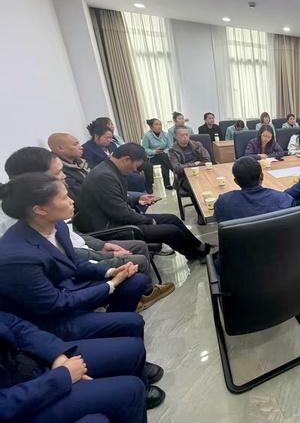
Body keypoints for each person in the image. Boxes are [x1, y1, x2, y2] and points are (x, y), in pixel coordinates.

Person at [1, 147, 172, 310]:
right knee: (138, 262)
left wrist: (101, 246)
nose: (64, 176)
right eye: (58, 172)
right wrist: (108, 264)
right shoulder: (25, 220)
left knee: (140, 248)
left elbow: (72, 235)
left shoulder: (52, 206)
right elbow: (65, 260)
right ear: (36, 179)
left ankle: (139, 296)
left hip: (83, 251)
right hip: (67, 280)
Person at [0, 173, 148, 341]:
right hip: (49, 319)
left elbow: (75, 263)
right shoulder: (17, 257)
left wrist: (111, 272)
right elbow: (55, 303)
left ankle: (110, 335)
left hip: (66, 290)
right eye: (64, 198)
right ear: (40, 209)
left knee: (135, 281)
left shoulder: (58, 226)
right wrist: (111, 284)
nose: (72, 201)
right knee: (134, 321)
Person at [0, 311, 164, 421]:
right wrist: (62, 377)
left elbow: (17, 326)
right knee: (131, 391)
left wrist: (58, 356)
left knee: (133, 348)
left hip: (29, 363)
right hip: (22, 403)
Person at [75, 143, 215, 262]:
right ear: (126, 159)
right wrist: (147, 221)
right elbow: (121, 214)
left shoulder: (110, 169)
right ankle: (195, 255)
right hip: (112, 228)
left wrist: (137, 199)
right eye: (136, 166)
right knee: (170, 231)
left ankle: (200, 247)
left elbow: (117, 199)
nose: (135, 170)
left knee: (172, 218)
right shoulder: (104, 176)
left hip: (115, 218)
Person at [213, 157, 295, 224]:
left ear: (236, 181)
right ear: (262, 176)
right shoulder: (285, 199)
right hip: (277, 239)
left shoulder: (223, 203)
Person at [95, 117, 154, 194]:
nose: (112, 126)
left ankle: (145, 191)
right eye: (109, 125)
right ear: (97, 135)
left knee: (146, 167)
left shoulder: (113, 142)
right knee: (136, 177)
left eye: (112, 124)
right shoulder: (89, 149)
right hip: (116, 168)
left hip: (126, 161)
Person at [48, 133, 89, 202]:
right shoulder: (60, 172)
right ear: (60, 148)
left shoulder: (80, 161)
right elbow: (82, 195)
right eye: (75, 144)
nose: (81, 147)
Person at [141, 118, 174, 190]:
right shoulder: (147, 136)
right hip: (152, 157)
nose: (159, 126)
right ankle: (174, 172)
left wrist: (164, 151)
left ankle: (167, 184)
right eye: (156, 125)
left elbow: (170, 146)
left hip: (164, 155)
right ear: (151, 127)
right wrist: (155, 151)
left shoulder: (166, 135)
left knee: (163, 160)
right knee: (164, 159)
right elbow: (144, 149)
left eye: (160, 124)